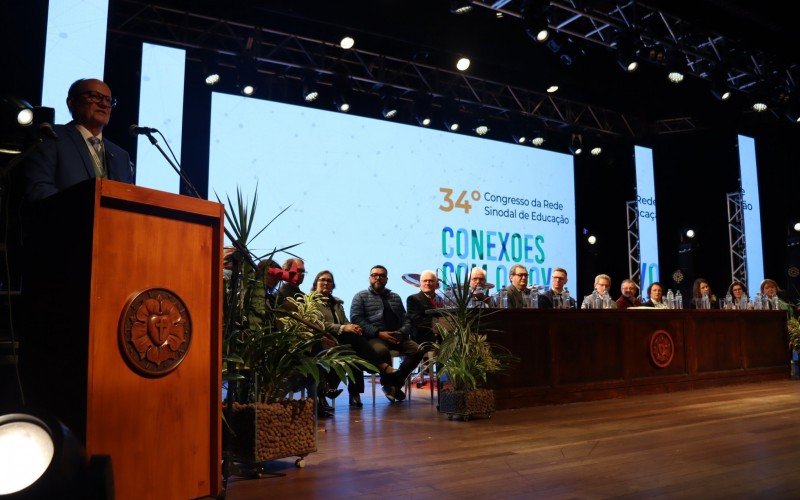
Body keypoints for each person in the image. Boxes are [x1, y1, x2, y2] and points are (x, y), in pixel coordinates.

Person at [24, 78, 134, 202]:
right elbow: (39, 188)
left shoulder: (121, 156)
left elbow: (128, 201)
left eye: (108, 100)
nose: (103, 104)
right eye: (94, 96)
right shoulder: (51, 137)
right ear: (71, 102)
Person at [309, 270, 397, 408]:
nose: (326, 282)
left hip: (341, 340)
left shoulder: (337, 303)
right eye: (322, 280)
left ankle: (347, 392)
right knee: (353, 345)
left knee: (354, 344)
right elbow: (318, 324)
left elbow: (345, 321)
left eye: (329, 280)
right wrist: (344, 328)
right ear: (315, 283)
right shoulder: (311, 302)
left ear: (333, 286)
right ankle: (379, 367)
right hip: (323, 339)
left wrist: (352, 326)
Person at [350, 265, 425, 403]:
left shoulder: (395, 297)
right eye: (374, 275)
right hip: (375, 337)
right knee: (382, 351)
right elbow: (356, 319)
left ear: (386, 279)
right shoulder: (360, 296)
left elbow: (406, 318)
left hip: (397, 336)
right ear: (369, 278)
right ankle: (389, 385)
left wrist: (402, 333)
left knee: (418, 350)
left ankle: (394, 385)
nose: (378, 278)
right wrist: (379, 333)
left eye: (382, 275)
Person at [406, 270, 440, 344]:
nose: (427, 283)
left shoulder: (441, 299)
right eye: (425, 281)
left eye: (431, 281)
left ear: (436, 284)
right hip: (423, 339)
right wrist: (439, 325)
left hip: (443, 338)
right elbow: (417, 321)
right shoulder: (413, 299)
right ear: (420, 284)